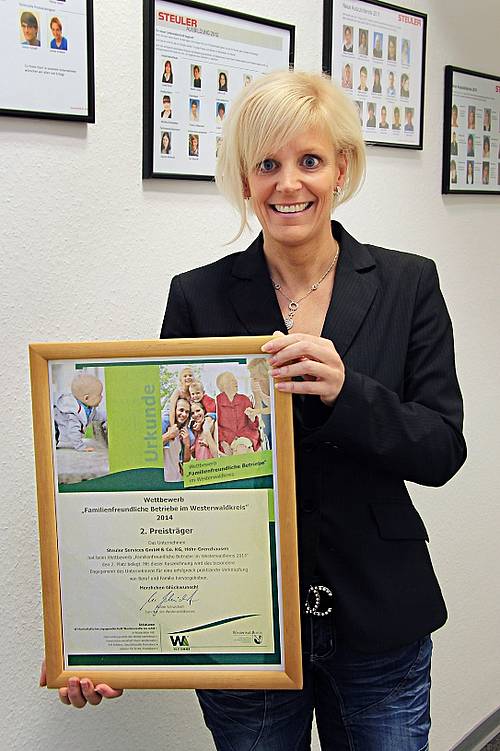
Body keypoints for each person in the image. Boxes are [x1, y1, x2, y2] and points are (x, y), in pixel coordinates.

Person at [45, 72, 466, 751]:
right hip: (242, 626)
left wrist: (347, 391)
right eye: (267, 164)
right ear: (245, 179)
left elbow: (443, 445)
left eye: (309, 161)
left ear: (342, 168)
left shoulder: (408, 283)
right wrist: (111, 640)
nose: (289, 184)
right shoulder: (198, 297)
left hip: (379, 618)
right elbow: (162, 475)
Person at [53, 374, 106, 451]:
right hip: (56, 424)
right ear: (86, 398)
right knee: (53, 436)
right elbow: (73, 432)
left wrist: (108, 416)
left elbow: (96, 415)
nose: (102, 397)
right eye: (99, 395)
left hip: (62, 428)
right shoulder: (73, 414)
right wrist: (80, 446)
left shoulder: (88, 408)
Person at [215, 371, 261, 453]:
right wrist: (222, 442)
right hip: (226, 439)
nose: (236, 381)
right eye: (231, 380)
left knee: (241, 448)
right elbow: (216, 425)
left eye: (235, 379)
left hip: (246, 435)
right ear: (223, 386)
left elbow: (254, 426)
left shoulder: (244, 399)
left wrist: (252, 419)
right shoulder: (216, 402)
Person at [162, 398, 192, 481]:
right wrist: (168, 435)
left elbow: (186, 461)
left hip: (178, 479)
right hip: (164, 480)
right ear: (174, 410)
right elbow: (149, 449)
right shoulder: (165, 426)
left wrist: (187, 444)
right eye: (181, 410)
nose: (184, 414)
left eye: (187, 412)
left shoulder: (184, 433)